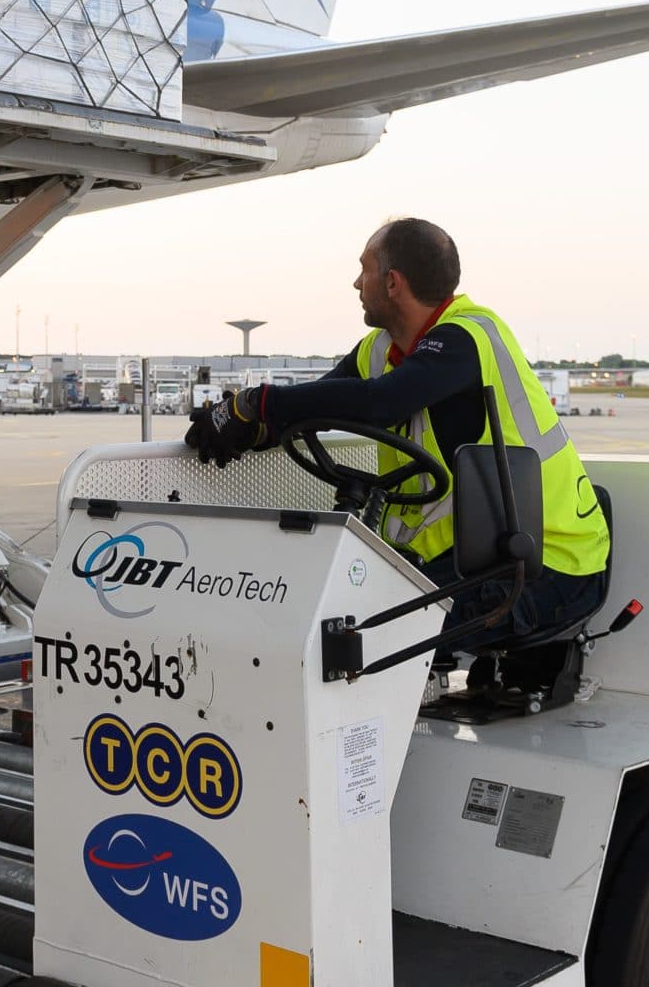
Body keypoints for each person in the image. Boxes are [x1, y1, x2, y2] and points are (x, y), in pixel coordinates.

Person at [187, 218, 610, 683]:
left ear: (392, 283)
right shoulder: (380, 349)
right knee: (332, 611)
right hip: (475, 556)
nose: (355, 282)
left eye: (363, 270)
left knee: (369, 633)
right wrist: (252, 429)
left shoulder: (465, 338)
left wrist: (258, 401)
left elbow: (381, 402)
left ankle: (353, 750)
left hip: (546, 565)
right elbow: (322, 401)